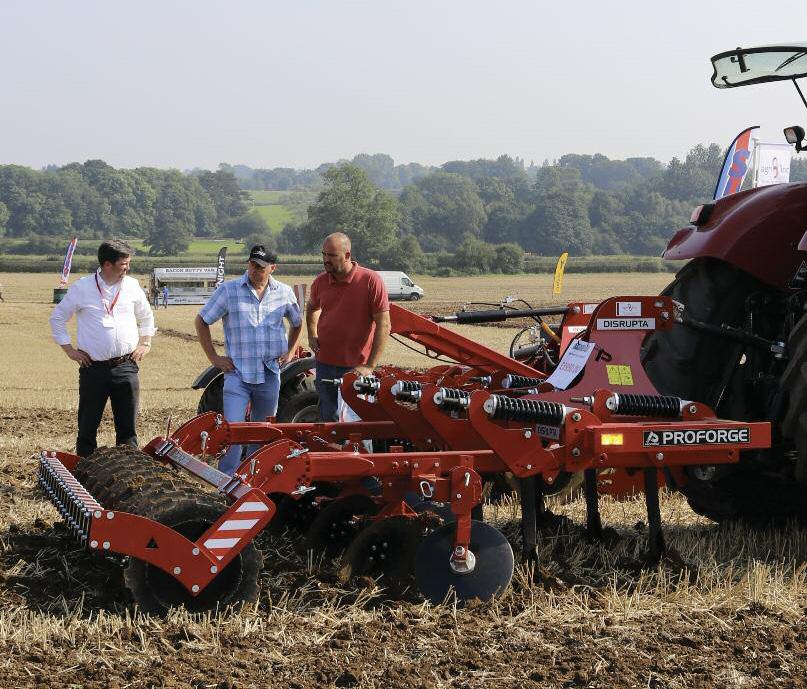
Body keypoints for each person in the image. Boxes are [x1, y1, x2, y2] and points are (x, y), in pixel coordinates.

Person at [195, 245, 303, 475]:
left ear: (272, 268)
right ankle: (227, 479)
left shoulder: (284, 292)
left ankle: (254, 478)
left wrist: (291, 351)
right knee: (232, 430)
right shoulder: (229, 291)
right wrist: (214, 357)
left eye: (261, 267)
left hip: (269, 373)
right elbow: (202, 320)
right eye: (252, 264)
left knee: (262, 431)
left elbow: (297, 322)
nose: (255, 270)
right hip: (237, 374)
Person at [49, 239, 155, 457]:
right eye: (123, 264)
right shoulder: (82, 288)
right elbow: (57, 318)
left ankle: (128, 469)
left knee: (127, 430)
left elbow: (146, 316)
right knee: (87, 428)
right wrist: (69, 351)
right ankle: (84, 470)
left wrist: (145, 343)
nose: (127, 268)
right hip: (93, 368)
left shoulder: (132, 286)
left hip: (126, 366)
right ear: (107, 264)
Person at [306, 232, 390, 422]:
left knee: (356, 421)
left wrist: (369, 366)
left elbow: (384, 324)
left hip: (356, 367)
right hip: (325, 363)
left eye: (332, 255)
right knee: (328, 418)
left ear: (347, 255)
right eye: (324, 254)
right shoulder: (320, 282)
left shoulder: (370, 280)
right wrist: (312, 334)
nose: (326, 260)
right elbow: (312, 307)